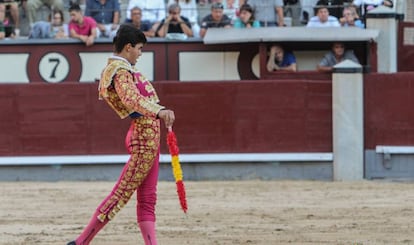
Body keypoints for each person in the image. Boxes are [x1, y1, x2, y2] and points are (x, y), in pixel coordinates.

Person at [66, 23, 175, 245]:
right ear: (128, 47)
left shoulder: (124, 69)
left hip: (149, 141)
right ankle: (80, 243)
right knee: (120, 195)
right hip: (143, 141)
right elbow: (131, 100)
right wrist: (160, 111)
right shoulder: (120, 71)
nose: (140, 53)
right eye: (139, 48)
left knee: (147, 199)